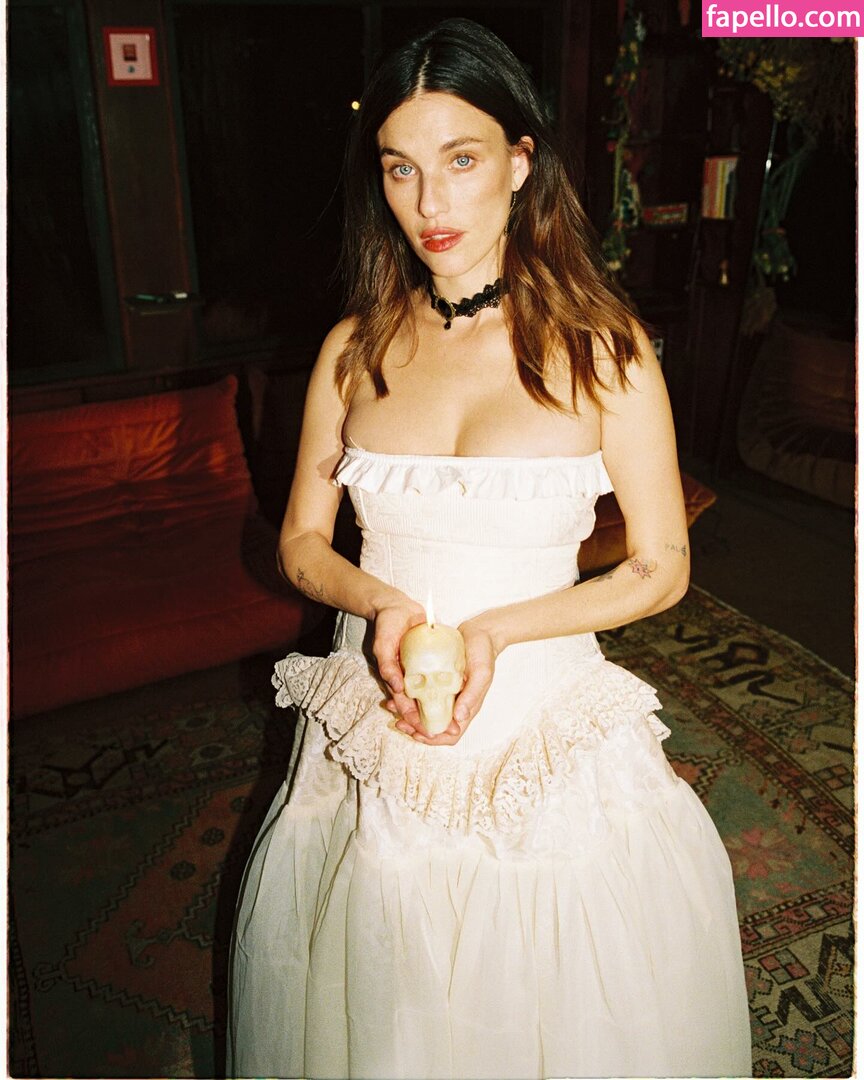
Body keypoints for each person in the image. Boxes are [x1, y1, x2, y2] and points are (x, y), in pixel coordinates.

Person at [228, 18, 751, 1079]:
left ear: (520, 162)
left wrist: (499, 632)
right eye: (400, 168)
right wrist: (381, 604)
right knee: (371, 984)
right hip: (374, 708)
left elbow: (661, 566)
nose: (429, 203)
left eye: (460, 161)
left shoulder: (606, 349)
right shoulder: (352, 349)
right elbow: (300, 544)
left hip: (538, 719)